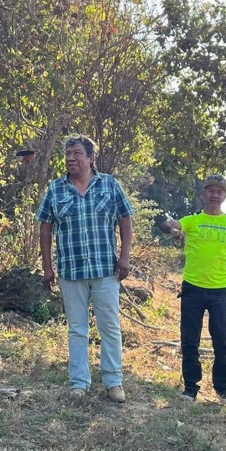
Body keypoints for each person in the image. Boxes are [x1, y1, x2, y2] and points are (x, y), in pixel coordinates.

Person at [38, 135, 134, 403]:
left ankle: (113, 381)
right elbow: (45, 230)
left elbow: (125, 221)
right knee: (77, 328)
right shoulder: (56, 190)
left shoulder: (110, 186)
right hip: (71, 271)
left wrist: (124, 257)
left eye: (77, 153)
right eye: (68, 154)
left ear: (91, 158)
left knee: (110, 327)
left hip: (106, 270)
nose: (71, 159)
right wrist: (47, 266)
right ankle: (79, 383)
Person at [161, 174, 226, 404]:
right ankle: (190, 387)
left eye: (219, 191)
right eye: (211, 191)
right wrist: (174, 231)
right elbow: (167, 224)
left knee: (223, 343)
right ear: (203, 194)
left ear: (225, 196)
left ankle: (222, 388)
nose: (215, 195)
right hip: (192, 289)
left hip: (219, 291)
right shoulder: (192, 221)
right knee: (190, 340)